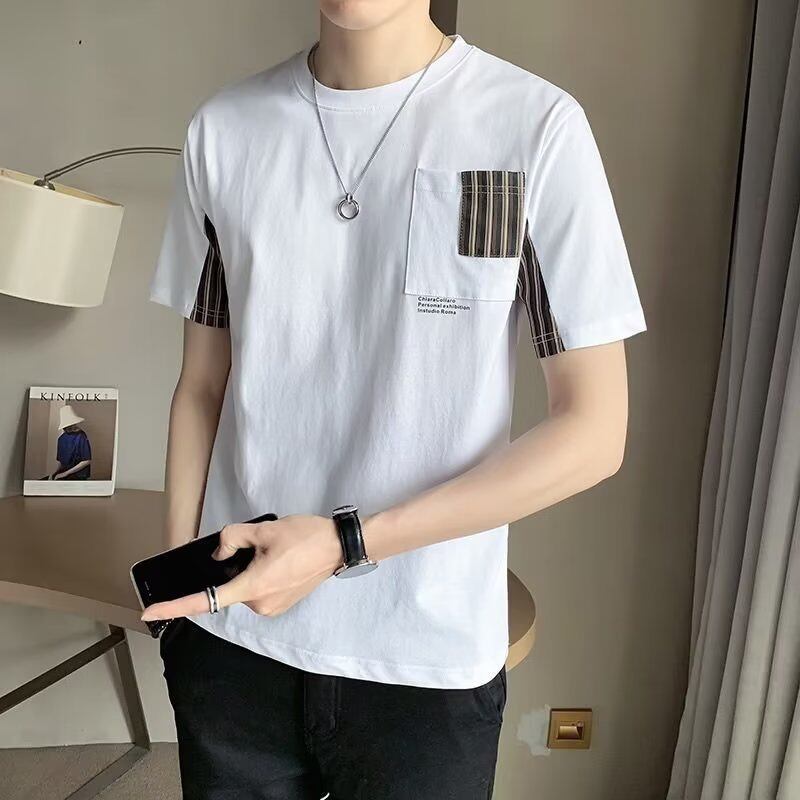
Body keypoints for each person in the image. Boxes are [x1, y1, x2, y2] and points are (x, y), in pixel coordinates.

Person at [143, 2, 647, 798]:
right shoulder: (224, 131)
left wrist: (345, 543)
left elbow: (594, 431)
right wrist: (182, 611)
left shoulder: (534, 127)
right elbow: (201, 387)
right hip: (234, 643)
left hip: (426, 663)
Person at [51, 404, 91, 480]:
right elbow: (61, 462)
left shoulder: (81, 436)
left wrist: (65, 473)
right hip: (65, 474)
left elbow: (86, 461)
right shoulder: (61, 439)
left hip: (79, 476)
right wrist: (55, 473)